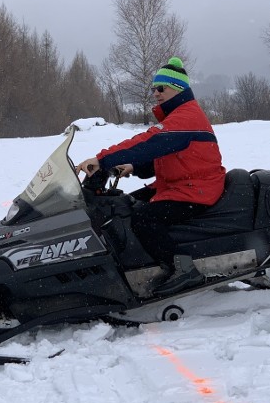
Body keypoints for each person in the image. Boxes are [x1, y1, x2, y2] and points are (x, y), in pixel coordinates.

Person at [76, 57, 226, 294]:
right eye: (153, 89)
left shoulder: (186, 118)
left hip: (197, 189)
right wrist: (136, 168)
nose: (155, 93)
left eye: (160, 88)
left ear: (177, 89)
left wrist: (102, 159)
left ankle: (183, 269)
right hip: (180, 184)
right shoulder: (179, 116)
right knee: (122, 206)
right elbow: (169, 158)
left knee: (143, 218)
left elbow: (148, 143)